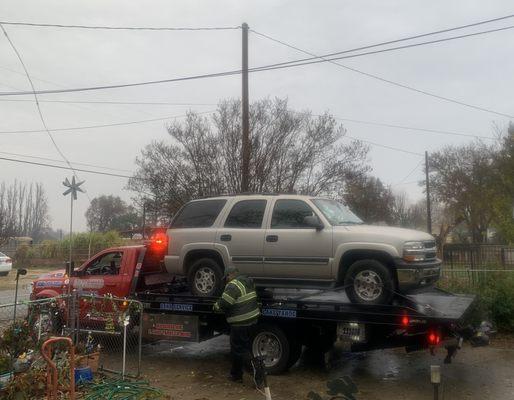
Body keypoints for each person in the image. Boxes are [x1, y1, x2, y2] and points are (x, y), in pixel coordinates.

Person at [213, 266, 260, 383]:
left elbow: (225, 303)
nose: (226, 280)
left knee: (239, 350)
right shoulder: (247, 281)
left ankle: (258, 374)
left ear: (230, 274)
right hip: (252, 320)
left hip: (240, 323)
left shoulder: (234, 285)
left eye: (226, 277)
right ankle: (236, 375)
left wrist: (215, 307)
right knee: (243, 349)